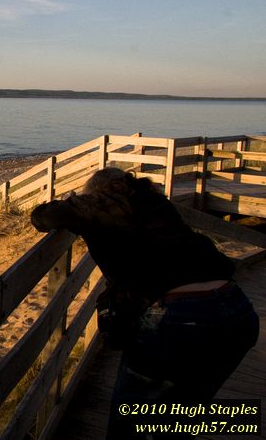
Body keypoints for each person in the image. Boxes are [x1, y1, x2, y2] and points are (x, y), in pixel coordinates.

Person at [30, 167, 259, 439]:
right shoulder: (155, 202)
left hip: (180, 315)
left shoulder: (99, 204)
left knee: (130, 418)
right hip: (237, 311)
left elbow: (44, 218)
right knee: (180, 415)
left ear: (96, 190)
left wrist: (68, 203)